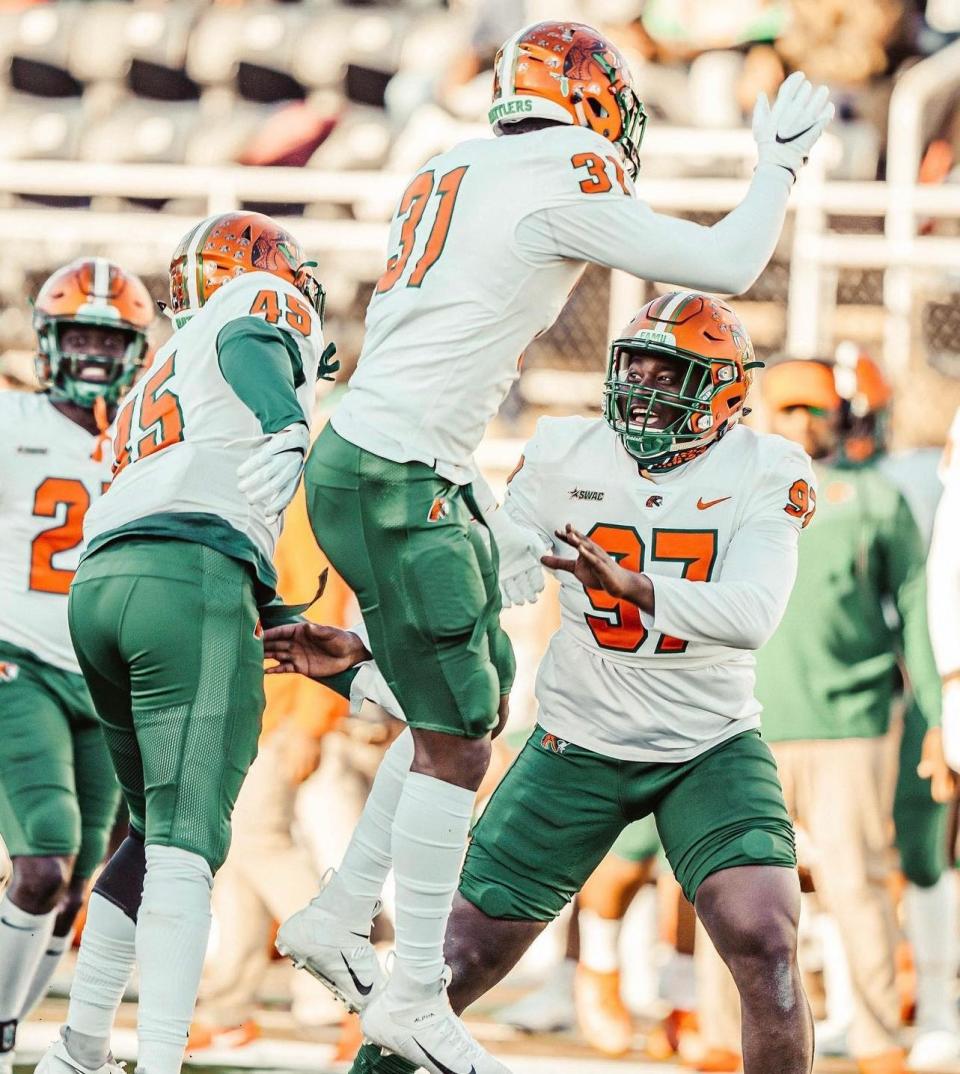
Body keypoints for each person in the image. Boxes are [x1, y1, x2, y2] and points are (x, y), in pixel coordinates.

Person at [276, 19, 833, 1074]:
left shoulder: (449, 162)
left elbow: (744, 613)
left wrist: (358, 660)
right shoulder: (569, 438)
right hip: (566, 711)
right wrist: (778, 168)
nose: (649, 392)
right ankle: (360, 942)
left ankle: (345, 919)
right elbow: (729, 256)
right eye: (643, 370)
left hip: (702, 732)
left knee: (763, 938)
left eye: (676, 377)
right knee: (465, 754)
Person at [33, 212, 332, 1074]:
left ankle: (81, 1048)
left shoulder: (157, 371)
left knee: (146, 828)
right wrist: (288, 422)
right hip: (185, 577)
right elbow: (249, 332)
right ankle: (157, 1060)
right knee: (187, 847)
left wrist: (267, 605)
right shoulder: (256, 304)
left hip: (101, 589)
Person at [710, 357, 944, 1074]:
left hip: (849, 724)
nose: (802, 423)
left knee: (857, 885)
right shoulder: (722, 491)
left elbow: (915, 614)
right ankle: (724, 1039)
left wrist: (935, 718)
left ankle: (877, 1040)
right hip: (743, 721)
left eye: (814, 409)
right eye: (788, 409)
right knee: (727, 885)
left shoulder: (874, 498)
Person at [0, 259, 154, 1074]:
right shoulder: (9, 419)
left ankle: (12, 1031)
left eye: (110, 336)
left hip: (103, 677)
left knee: (74, 887)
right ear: (51, 339)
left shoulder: (149, 438)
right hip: (14, 659)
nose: (94, 353)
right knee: (43, 856)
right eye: (82, 334)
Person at [836, 348, 959, 1070]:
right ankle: (861, 1006)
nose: (849, 428)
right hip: (850, 694)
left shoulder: (917, 476)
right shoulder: (803, 483)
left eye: (858, 412)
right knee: (846, 858)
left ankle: (938, 1005)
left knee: (918, 850)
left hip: (914, 688)